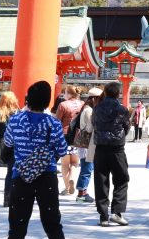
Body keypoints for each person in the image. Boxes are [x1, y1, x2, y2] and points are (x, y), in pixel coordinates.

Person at [2, 80, 72, 239]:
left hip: (21, 176)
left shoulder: (15, 120)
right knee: (52, 224)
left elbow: (8, 143)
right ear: (47, 101)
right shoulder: (53, 123)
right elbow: (61, 150)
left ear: (28, 98)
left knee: (17, 226)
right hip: (46, 176)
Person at [92, 81, 132, 227]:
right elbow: (126, 127)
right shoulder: (122, 109)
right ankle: (117, 212)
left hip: (101, 147)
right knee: (121, 179)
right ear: (118, 94)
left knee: (101, 181)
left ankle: (103, 216)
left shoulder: (97, 108)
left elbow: (94, 124)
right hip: (117, 148)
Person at [54, 86, 84, 195]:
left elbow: (56, 122)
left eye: (65, 93)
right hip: (77, 137)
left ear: (70, 94)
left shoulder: (63, 105)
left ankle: (67, 188)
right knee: (75, 162)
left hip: (64, 136)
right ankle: (72, 179)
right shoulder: (82, 104)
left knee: (65, 164)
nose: (64, 95)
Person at [75, 87, 101, 204]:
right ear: (94, 99)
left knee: (86, 168)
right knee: (87, 168)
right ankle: (82, 193)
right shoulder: (89, 111)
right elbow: (90, 128)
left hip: (83, 144)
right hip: (87, 144)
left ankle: (82, 191)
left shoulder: (85, 108)